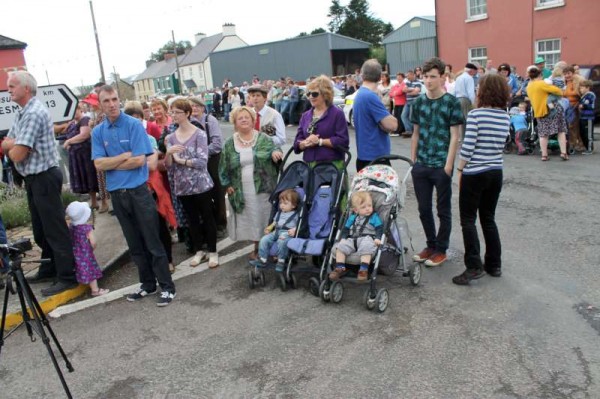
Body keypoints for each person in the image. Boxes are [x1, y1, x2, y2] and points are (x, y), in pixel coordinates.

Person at [92, 85, 176, 307]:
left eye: (114, 99)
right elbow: (98, 164)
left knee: (152, 240)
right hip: (117, 196)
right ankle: (147, 284)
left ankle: (167, 287)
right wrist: (124, 157)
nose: (111, 104)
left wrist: (114, 161)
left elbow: (139, 160)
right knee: (134, 243)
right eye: (106, 101)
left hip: (139, 192)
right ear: (100, 105)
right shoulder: (98, 132)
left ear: (119, 100)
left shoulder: (132, 125)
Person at [2, 71, 78, 296]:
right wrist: (15, 144)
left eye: (12, 86)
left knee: (54, 229)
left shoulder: (34, 113)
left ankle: (67, 276)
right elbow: (10, 144)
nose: (9, 90)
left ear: (26, 88)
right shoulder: (22, 113)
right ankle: (49, 267)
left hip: (44, 176)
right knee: (40, 229)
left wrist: (14, 145)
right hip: (34, 179)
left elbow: (16, 155)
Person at [452, 74, 510, 285]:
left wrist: (459, 169)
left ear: (483, 91)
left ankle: (474, 266)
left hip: (475, 172)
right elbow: (503, 144)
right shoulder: (505, 116)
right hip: (496, 171)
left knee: (468, 220)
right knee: (488, 218)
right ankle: (494, 264)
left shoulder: (476, 115)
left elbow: (468, 147)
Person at [410, 57, 464, 268]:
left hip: (441, 163)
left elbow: (454, 136)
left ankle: (441, 249)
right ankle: (430, 245)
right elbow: (415, 133)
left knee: (443, 210)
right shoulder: (419, 103)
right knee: (424, 209)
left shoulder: (451, 102)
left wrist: (449, 165)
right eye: (425, 76)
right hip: (421, 163)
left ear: (442, 77)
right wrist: (413, 160)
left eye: (433, 76)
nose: (428, 80)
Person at [219, 106, 283, 259]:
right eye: (240, 118)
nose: (244, 119)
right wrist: (227, 185)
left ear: (253, 120)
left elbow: (277, 149)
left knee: (266, 216)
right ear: (234, 123)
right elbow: (223, 167)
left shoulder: (264, 138)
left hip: (264, 187)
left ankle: (271, 248)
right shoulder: (229, 143)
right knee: (252, 219)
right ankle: (258, 247)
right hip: (241, 189)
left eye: (247, 117)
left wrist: (276, 152)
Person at [165, 99, 219, 268]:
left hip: (200, 184)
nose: (173, 116)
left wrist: (182, 160)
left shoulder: (199, 134)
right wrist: (168, 154)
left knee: (207, 217)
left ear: (187, 113)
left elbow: (202, 161)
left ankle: (213, 251)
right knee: (191, 219)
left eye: (177, 112)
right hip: (182, 186)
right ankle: (198, 250)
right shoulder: (170, 138)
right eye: (171, 112)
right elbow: (168, 166)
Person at [188, 96, 227, 234]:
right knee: (203, 194)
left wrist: (201, 153)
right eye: (192, 106)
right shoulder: (188, 122)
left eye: (197, 106)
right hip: (197, 162)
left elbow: (217, 144)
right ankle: (209, 223)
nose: (194, 109)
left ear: (203, 107)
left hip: (212, 160)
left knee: (217, 192)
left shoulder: (210, 120)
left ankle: (221, 223)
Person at [294, 75, 350, 168]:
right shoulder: (305, 116)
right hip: (309, 166)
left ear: (325, 94)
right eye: (308, 94)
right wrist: (304, 143)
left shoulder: (337, 114)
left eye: (314, 94)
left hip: (332, 167)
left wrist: (320, 141)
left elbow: (343, 141)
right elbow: (297, 143)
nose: (311, 97)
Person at [353, 59, 398, 171]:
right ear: (379, 77)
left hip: (365, 156)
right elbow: (392, 125)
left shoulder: (360, 94)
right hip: (375, 159)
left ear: (362, 75)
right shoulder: (370, 97)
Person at [329, 191, 383, 282]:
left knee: (367, 246)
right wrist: (343, 238)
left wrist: (377, 238)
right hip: (352, 239)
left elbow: (379, 228)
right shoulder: (352, 217)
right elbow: (345, 229)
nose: (367, 209)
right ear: (356, 210)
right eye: (363, 207)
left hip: (367, 238)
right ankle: (340, 268)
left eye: (369, 206)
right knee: (340, 247)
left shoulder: (374, 217)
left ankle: (363, 270)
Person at [65, 201, 109, 296]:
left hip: (75, 252)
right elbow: (93, 242)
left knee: (81, 268)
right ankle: (95, 290)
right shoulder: (87, 228)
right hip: (85, 253)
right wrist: (92, 248)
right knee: (90, 271)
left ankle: (83, 282)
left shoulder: (71, 227)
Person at [526, 66, 569, 161]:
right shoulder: (541, 83)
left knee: (543, 134)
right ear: (540, 75)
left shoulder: (529, 86)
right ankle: (563, 153)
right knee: (560, 131)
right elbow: (558, 91)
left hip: (539, 112)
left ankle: (544, 155)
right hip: (551, 109)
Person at [62, 103, 100, 210]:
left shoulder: (85, 120)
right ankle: (93, 202)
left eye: (75, 110)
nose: (73, 114)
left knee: (90, 177)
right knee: (84, 178)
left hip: (85, 154)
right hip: (76, 156)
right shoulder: (72, 123)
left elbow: (84, 135)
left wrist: (69, 141)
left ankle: (96, 201)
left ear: (80, 109)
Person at [254, 189, 300, 272]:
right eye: (281, 203)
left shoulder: (295, 215)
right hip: (276, 231)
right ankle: (263, 258)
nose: (282, 205)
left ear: (293, 205)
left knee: (282, 240)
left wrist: (294, 230)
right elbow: (275, 222)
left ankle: (281, 260)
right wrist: (269, 228)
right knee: (264, 239)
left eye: (285, 203)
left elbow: (299, 225)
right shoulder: (279, 213)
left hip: (287, 233)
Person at [454, 63, 478, 139]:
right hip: (465, 100)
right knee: (469, 120)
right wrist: (473, 103)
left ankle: (463, 137)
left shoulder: (458, 78)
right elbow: (470, 92)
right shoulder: (469, 78)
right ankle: (469, 138)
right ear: (471, 71)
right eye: (475, 71)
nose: (475, 73)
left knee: (462, 121)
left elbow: (455, 91)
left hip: (458, 99)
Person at [400, 69, 422, 138]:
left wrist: (408, 91)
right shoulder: (407, 82)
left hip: (414, 102)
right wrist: (413, 89)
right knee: (403, 116)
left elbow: (416, 92)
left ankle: (414, 131)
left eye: (408, 76)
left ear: (413, 75)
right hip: (408, 102)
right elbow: (403, 90)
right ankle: (409, 130)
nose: (407, 77)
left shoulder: (418, 82)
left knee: (411, 117)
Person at [579, 80, 596, 154]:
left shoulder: (590, 95)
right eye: (580, 88)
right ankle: (586, 147)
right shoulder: (583, 96)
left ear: (587, 88)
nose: (580, 90)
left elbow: (589, 105)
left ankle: (590, 149)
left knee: (588, 134)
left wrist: (583, 105)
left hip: (588, 117)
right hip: (583, 116)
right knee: (583, 133)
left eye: (582, 88)